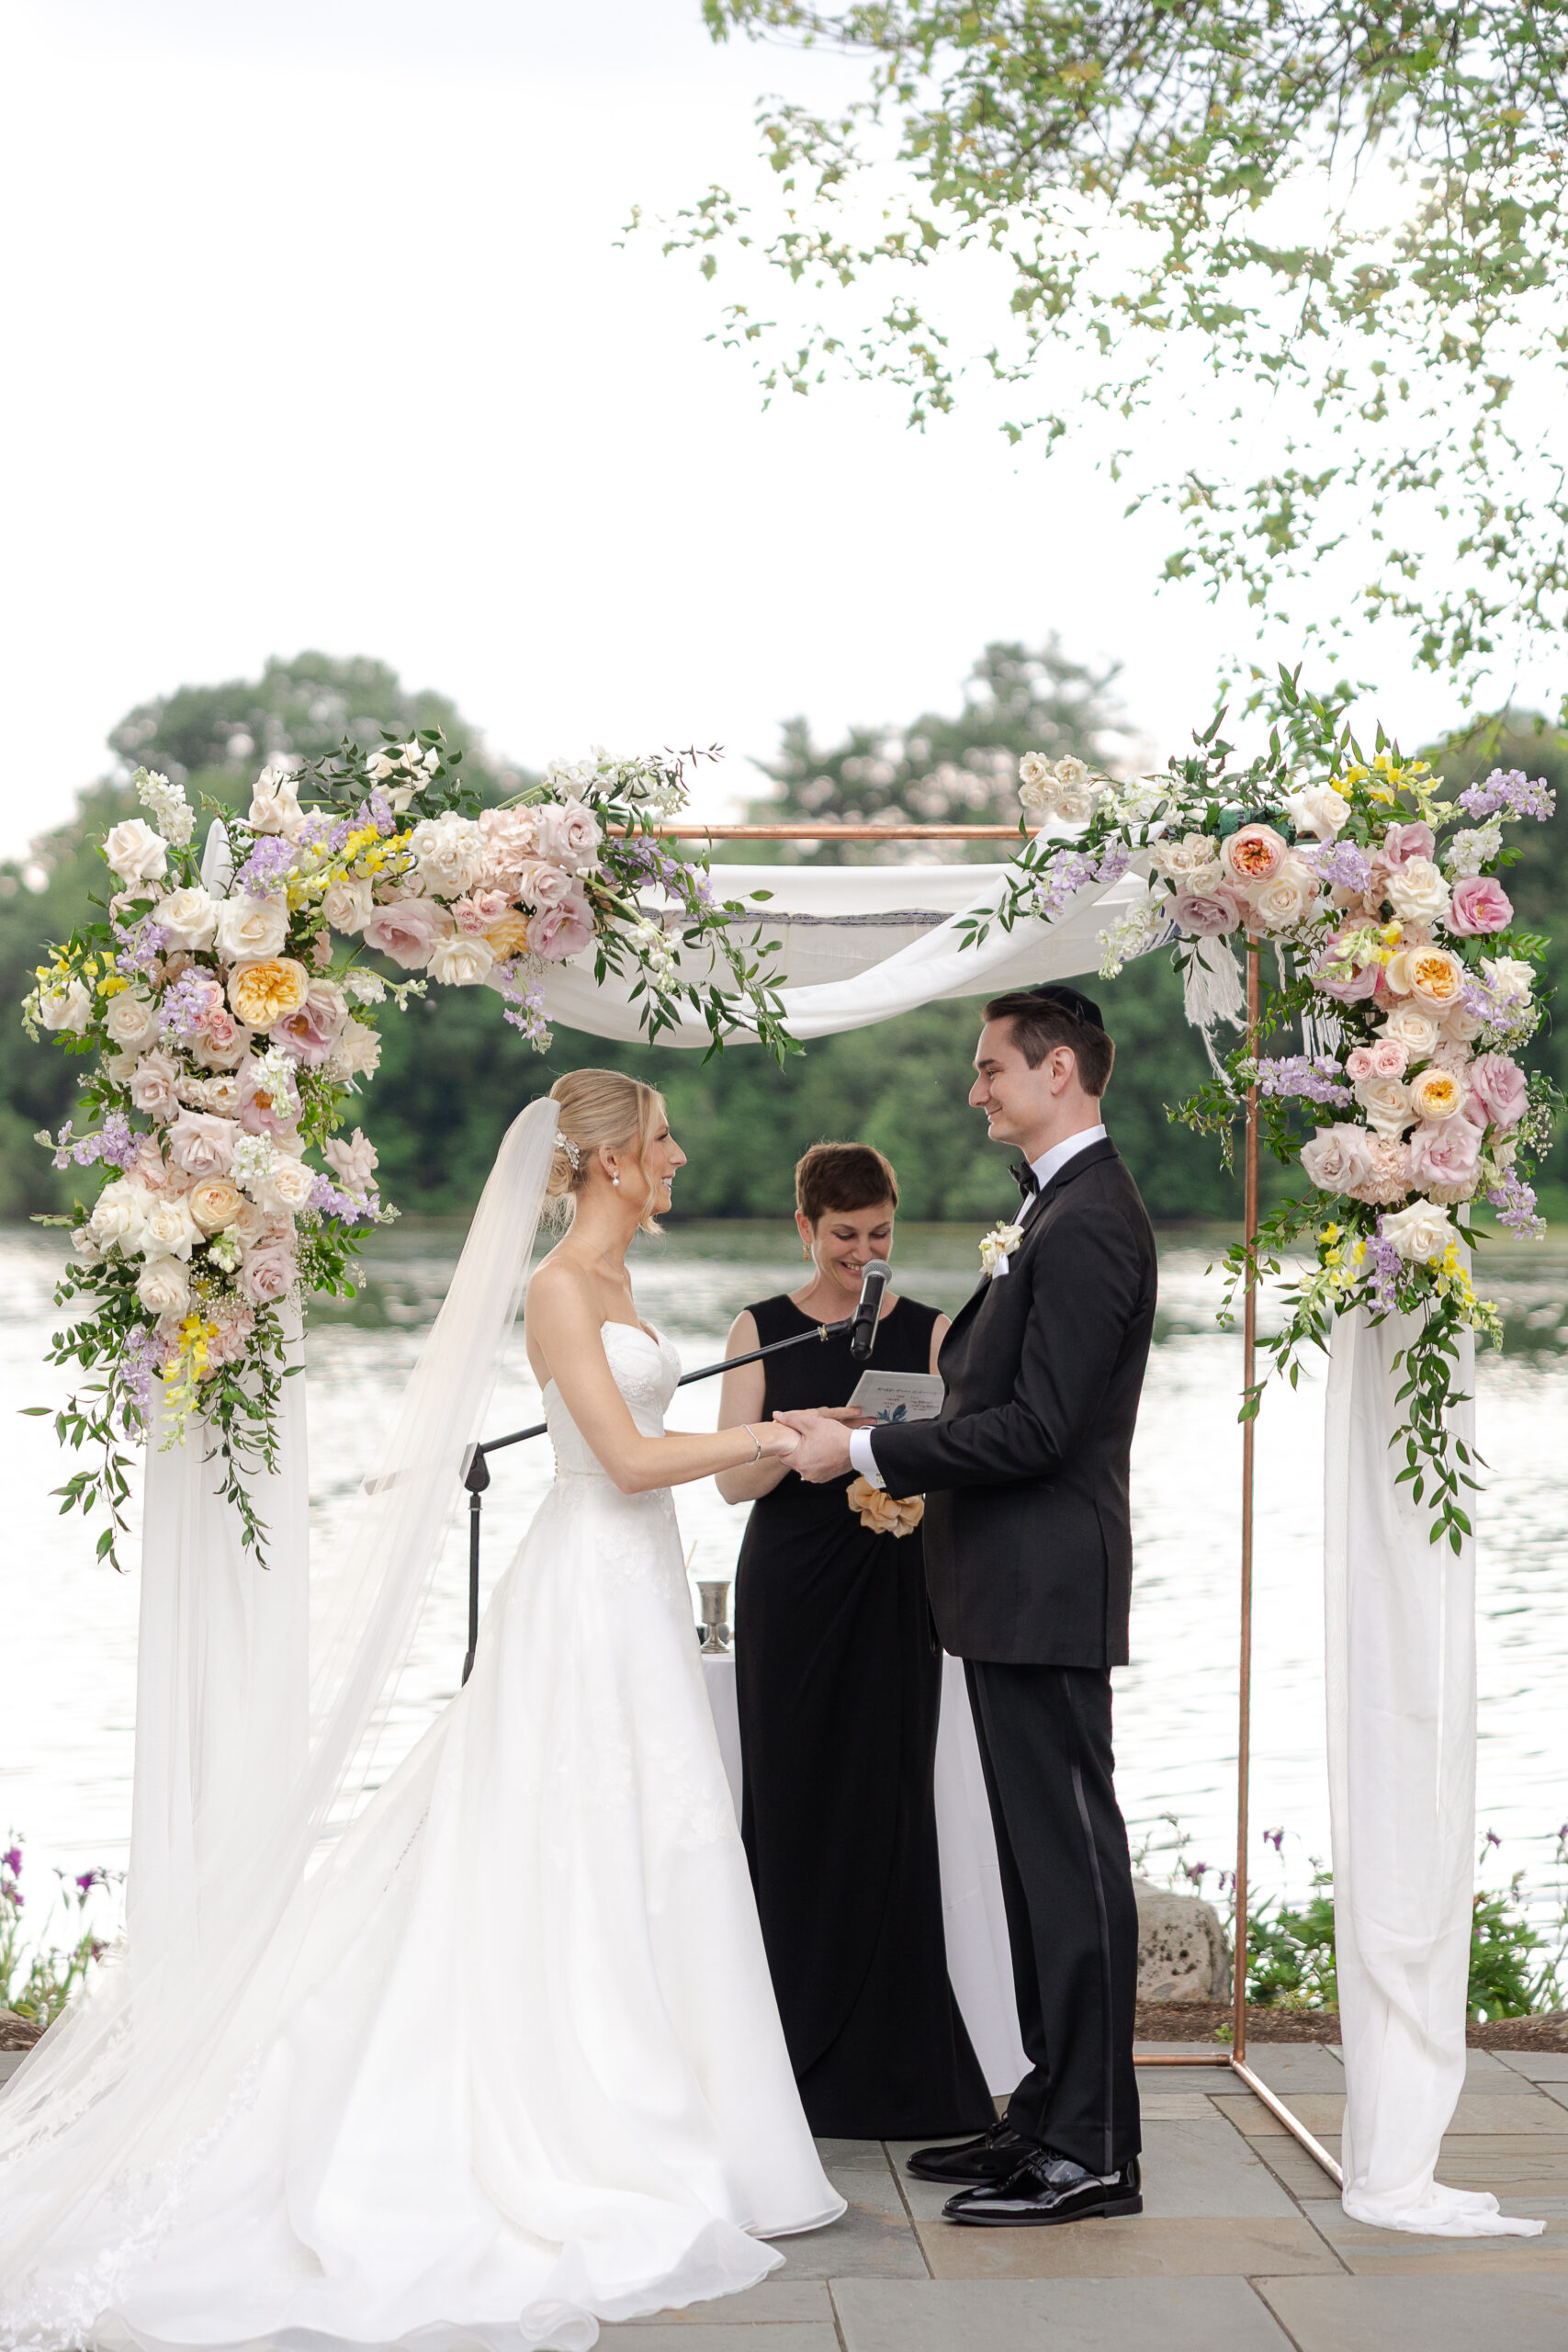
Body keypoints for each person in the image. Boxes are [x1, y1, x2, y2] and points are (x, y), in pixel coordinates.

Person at [0, 1072, 842, 2352]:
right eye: (660, 1141)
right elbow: (618, 1462)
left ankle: (702, 2120)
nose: (675, 1158)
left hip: (635, 1588)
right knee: (572, 1836)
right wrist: (770, 1442)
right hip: (580, 1585)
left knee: (663, 1839)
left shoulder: (619, 1287)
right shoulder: (560, 1291)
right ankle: (578, 2114)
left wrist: (764, 1434)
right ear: (608, 1162)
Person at [778, 987, 1156, 2230]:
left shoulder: (1089, 1220)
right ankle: (1046, 2111)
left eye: (990, 1067)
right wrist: (881, 1423)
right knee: (1028, 1864)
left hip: (1043, 1582)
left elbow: (1045, 1430)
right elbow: (999, 1397)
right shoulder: (1050, 1209)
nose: (974, 1087)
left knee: (1067, 1862)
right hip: (1003, 1588)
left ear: (1056, 1069)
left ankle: (1092, 2150)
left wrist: (874, 1461)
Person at [716, 1142, 993, 2142]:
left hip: (891, 1585)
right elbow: (730, 1483)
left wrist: (896, 1449)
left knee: (886, 1801)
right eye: (843, 1237)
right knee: (789, 1800)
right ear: (805, 1227)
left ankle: (894, 2066)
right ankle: (781, 2057)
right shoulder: (761, 1327)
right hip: (790, 1583)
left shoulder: (932, 1329)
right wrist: (795, 1441)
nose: (861, 1253)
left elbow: (966, 1454)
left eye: (878, 1235)